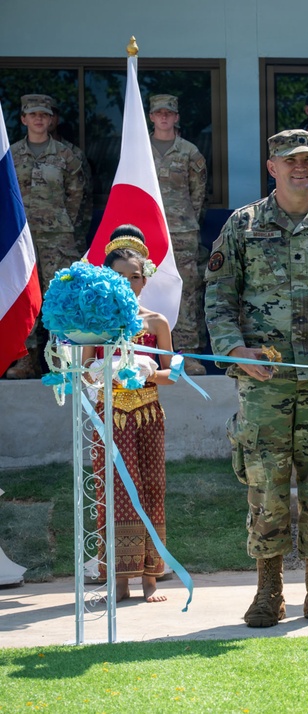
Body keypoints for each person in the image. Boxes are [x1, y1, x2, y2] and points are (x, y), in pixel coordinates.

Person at [204, 129, 308, 627]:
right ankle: (268, 590)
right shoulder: (243, 226)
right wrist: (234, 351)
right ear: (271, 167)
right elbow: (218, 296)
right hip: (264, 382)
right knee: (265, 484)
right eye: (289, 161)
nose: (300, 168)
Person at [84, 225, 175, 604]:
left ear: (145, 278)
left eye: (135, 276)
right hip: (111, 415)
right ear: (108, 278)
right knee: (118, 490)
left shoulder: (156, 322)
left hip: (148, 414)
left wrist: (152, 371)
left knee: (153, 487)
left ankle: (150, 578)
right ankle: (118, 581)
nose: (129, 282)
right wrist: (101, 372)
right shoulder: (96, 324)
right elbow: (85, 369)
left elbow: (174, 373)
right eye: (120, 276)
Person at [5, 94, 85, 379]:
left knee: (59, 298)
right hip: (19, 239)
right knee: (24, 296)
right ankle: (25, 360)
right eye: (33, 114)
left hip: (57, 239)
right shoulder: (9, 155)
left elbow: (77, 198)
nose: (39, 119)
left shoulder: (67, 155)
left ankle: (62, 357)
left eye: (44, 115)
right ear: (23, 119)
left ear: (51, 120)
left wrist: (63, 226)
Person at [148, 94, 209, 375]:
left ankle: (189, 355)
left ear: (176, 118)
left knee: (186, 295)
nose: (163, 117)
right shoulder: (139, 149)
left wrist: (186, 221)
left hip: (182, 233)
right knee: (146, 290)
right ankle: (148, 353)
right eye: (158, 113)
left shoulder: (189, 152)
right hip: (146, 233)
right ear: (151, 117)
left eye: (168, 113)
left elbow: (199, 195)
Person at [49, 104, 94, 251]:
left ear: (57, 118)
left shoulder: (73, 154)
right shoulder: (15, 154)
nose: (46, 120)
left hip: (69, 233)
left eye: (51, 114)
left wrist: (79, 231)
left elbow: (86, 196)